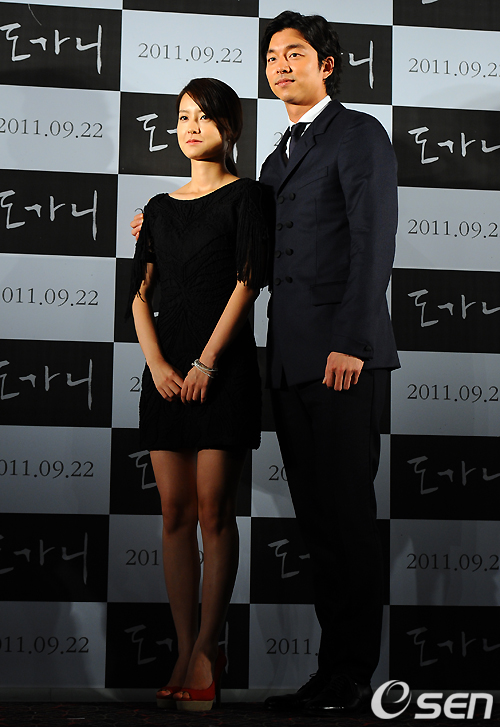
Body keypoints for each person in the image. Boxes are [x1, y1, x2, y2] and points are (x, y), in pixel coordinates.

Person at [131, 10, 399, 715]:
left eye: (295, 54)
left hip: (342, 357)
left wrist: (354, 341)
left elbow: (374, 241)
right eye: (273, 56)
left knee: (347, 516)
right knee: (318, 523)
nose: (281, 65)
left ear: (326, 65)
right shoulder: (276, 160)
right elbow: (242, 237)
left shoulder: (359, 134)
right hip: (287, 362)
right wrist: (163, 225)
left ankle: (353, 674)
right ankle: (331, 672)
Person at [128, 77, 269, 712]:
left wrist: (205, 363)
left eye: (204, 118)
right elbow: (139, 294)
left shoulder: (249, 197)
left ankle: (208, 650)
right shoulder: (157, 208)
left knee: (215, 512)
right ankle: (183, 649)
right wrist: (158, 365)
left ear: (229, 128)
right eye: (183, 117)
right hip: (166, 376)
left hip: (223, 370)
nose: (190, 128)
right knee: (173, 514)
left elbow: (248, 282)